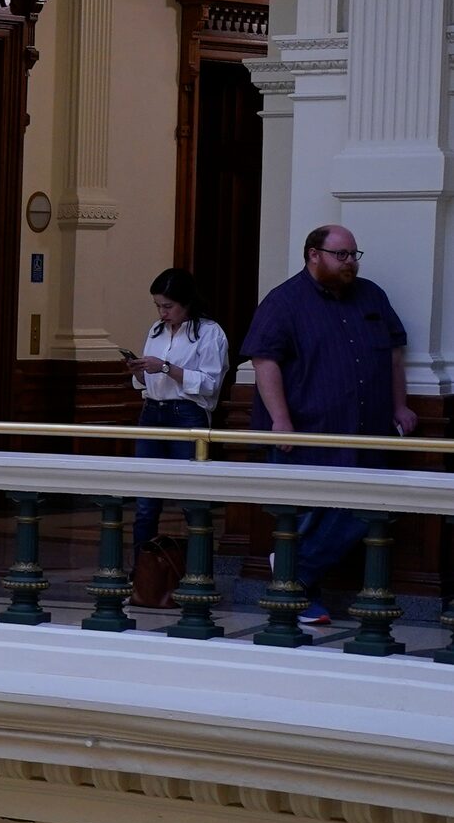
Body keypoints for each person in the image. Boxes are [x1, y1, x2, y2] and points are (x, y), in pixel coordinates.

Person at [243, 224, 415, 627]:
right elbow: (264, 362)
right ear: (313, 254)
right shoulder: (283, 301)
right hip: (307, 431)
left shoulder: (371, 295)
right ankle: (301, 592)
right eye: (341, 255)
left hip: (367, 430)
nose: (350, 262)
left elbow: (392, 356)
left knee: (365, 507)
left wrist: (401, 405)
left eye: (354, 254)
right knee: (308, 515)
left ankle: (294, 574)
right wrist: (281, 421)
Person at [128, 265, 229, 551]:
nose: (162, 313)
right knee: (146, 501)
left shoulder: (209, 333)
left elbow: (210, 384)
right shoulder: (157, 331)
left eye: (168, 306)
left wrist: (166, 368)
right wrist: (139, 371)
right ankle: (143, 573)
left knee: (191, 498)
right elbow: (148, 384)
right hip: (152, 411)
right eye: (158, 306)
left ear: (187, 303)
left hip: (186, 415)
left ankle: (200, 572)